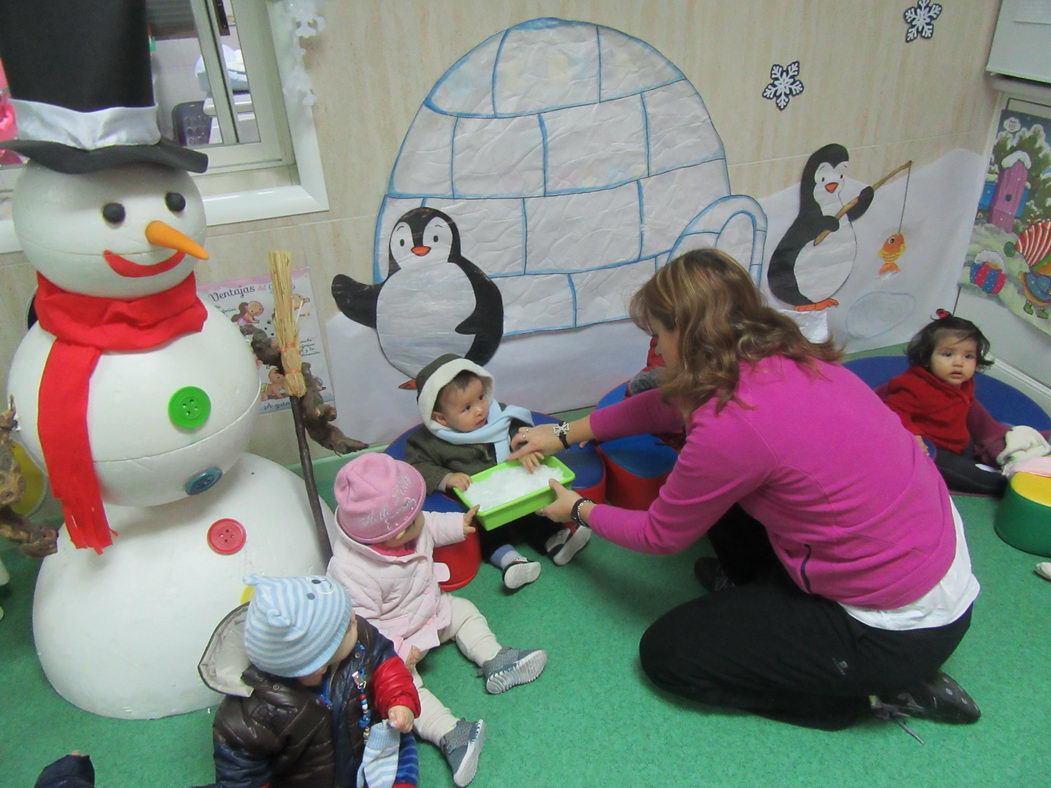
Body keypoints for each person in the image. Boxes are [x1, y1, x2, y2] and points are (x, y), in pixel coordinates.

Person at [509, 248, 982, 732]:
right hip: (921, 561)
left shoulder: (732, 425)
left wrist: (578, 508)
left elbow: (659, 536)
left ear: (688, 337)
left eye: (659, 334)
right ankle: (765, 608)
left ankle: (869, 696)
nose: (659, 348)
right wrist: (569, 432)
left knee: (667, 655)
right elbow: (667, 404)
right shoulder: (781, 354)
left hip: (894, 628)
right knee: (724, 499)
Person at [328, 452, 548, 787]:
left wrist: (457, 526)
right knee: (403, 690)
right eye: (412, 522)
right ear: (389, 535)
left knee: (464, 611)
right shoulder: (352, 571)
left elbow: (429, 523)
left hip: (431, 609)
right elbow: (363, 627)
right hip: (395, 643)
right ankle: (452, 734)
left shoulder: (410, 524)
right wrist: (399, 651)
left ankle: (496, 659)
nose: (421, 521)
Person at [198, 574, 421, 788]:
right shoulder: (252, 716)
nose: (354, 618)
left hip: (367, 747)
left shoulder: (360, 639)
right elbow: (243, 773)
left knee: (402, 744)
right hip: (304, 778)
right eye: (345, 628)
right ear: (317, 667)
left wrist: (399, 700)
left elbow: (385, 660)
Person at [404, 354, 591, 591]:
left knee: (535, 512)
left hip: (512, 485)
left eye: (481, 397)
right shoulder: (428, 442)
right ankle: (511, 562)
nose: (481, 410)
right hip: (483, 500)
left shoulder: (498, 415)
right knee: (487, 530)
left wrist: (524, 447)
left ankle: (557, 542)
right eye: (467, 408)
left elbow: (520, 430)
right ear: (441, 418)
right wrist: (446, 478)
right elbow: (416, 466)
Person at [881, 312, 1050, 496]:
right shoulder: (914, 385)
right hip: (935, 450)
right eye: (948, 354)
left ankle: (1011, 463)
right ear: (927, 357)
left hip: (958, 442)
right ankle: (1005, 480)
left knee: (991, 448)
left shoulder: (964, 384)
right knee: (991, 484)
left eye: (968, 356)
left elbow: (973, 416)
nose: (959, 363)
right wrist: (914, 434)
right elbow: (893, 411)